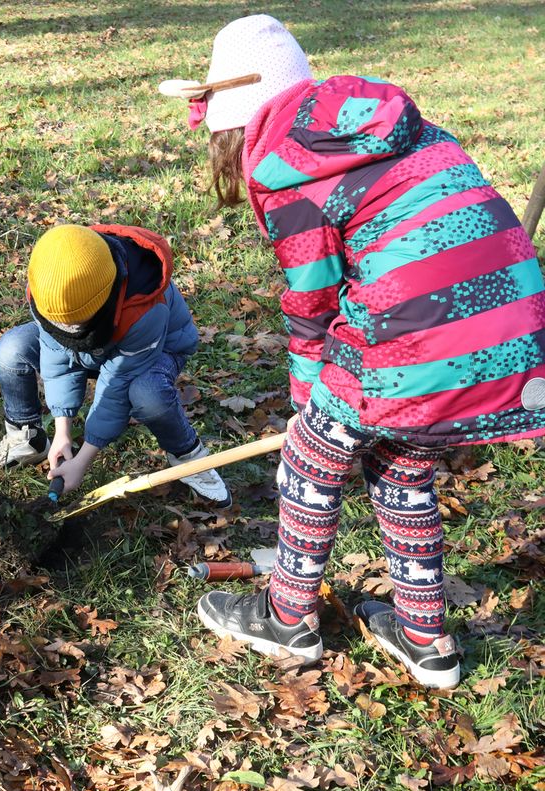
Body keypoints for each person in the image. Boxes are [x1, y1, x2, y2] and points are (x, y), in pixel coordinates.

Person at [161, 14, 545, 689]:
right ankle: (425, 641)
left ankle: (287, 620)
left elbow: (312, 303)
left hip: (422, 334)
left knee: (312, 454)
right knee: (401, 467)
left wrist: (309, 406)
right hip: (514, 329)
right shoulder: (393, 124)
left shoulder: (284, 163)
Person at [0, 223, 230, 507]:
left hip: (155, 347)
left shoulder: (143, 309)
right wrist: (63, 432)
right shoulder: (48, 283)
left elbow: (116, 386)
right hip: (94, 343)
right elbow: (57, 357)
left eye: (72, 324)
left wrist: (84, 458)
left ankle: (189, 457)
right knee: (13, 348)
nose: (64, 329)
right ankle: (28, 440)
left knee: (147, 394)